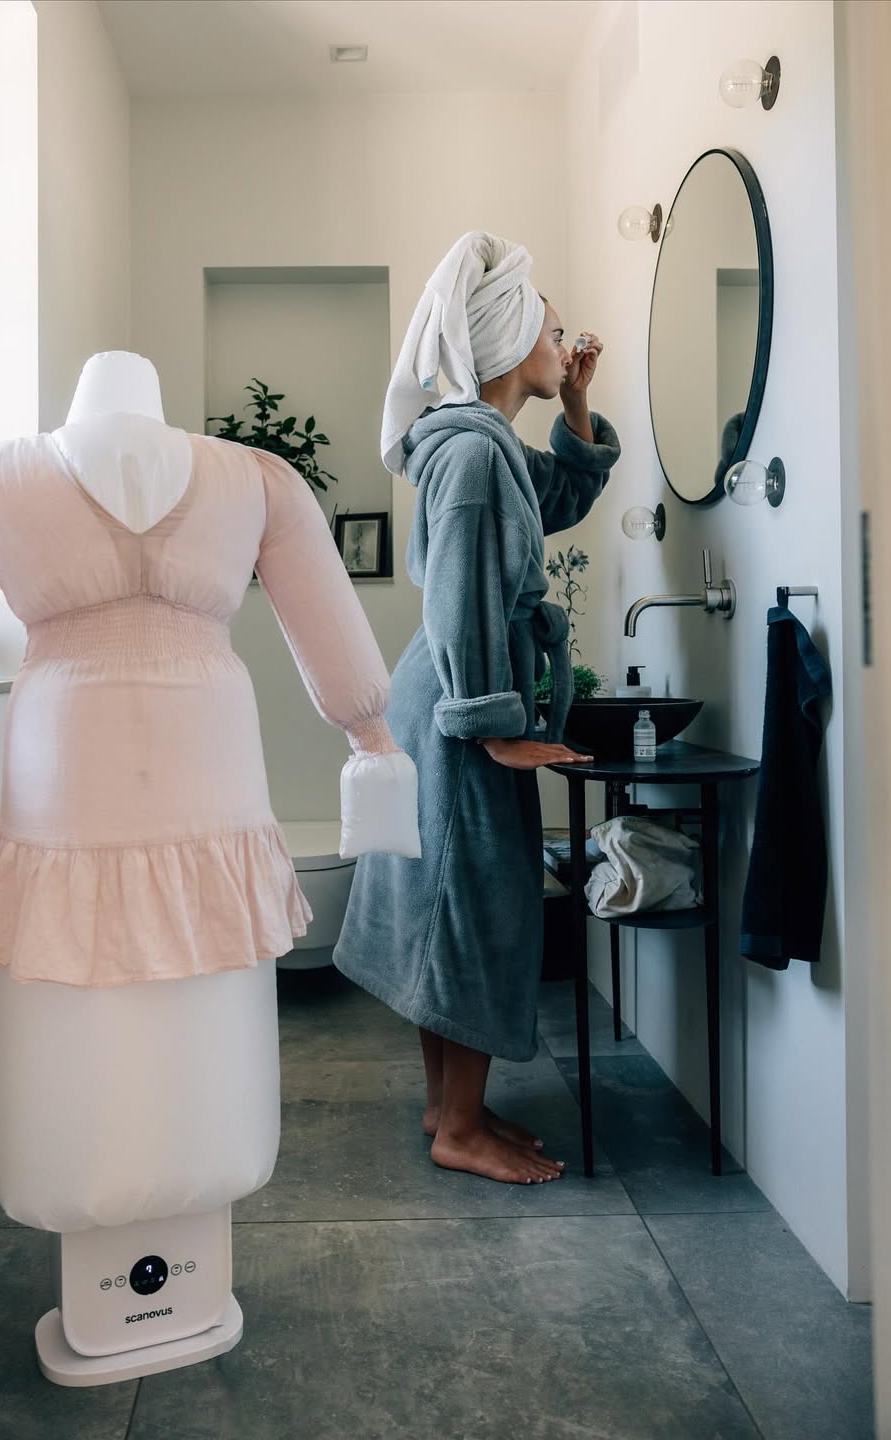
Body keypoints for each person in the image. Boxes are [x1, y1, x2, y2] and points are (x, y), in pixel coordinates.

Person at [334, 233, 621, 1185]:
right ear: (505, 340)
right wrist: (494, 728)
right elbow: (456, 595)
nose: (562, 343)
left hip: (457, 692)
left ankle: (446, 1107)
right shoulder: (470, 453)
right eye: (550, 330)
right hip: (462, 703)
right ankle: (459, 1129)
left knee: (448, 902)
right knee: (476, 907)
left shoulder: (487, 446)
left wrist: (575, 405)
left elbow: (561, 498)